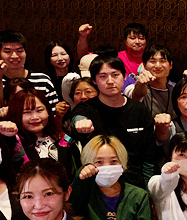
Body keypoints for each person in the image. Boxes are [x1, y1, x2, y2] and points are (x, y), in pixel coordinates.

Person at [66, 55, 158, 185]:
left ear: (124, 76)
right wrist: (80, 124)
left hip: (133, 183)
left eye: (115, 75)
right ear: (94, 80)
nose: (110, 81)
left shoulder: (139, 110)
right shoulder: (86, 109)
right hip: (97, 182)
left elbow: (149, 156)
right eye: (103, 76)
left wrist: (148, 188)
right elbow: (78, 119)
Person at [0, 30, 60, 112]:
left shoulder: (43, 80)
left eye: (19, 51)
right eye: (8, 52)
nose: (15, 56)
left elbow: (51, 113)